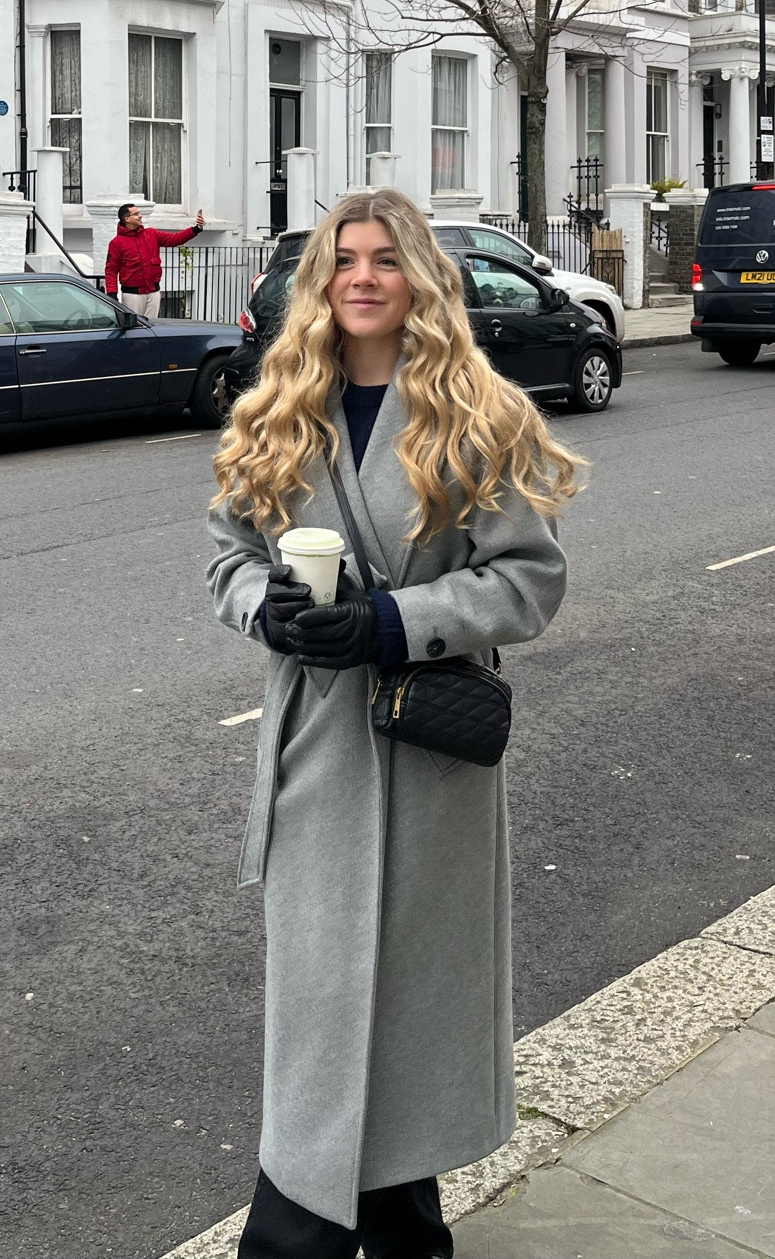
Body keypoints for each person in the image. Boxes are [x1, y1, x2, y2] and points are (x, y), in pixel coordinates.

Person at [206, 188, 576, 1259]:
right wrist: (260, 605)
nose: (361, 276)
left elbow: (529, 584)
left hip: (428, 767)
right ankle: (366, 1235)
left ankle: (377, 1232)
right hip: (317, 760)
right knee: (325, 1030)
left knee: (400, 1026)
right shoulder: (281, 406)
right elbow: (223, 558)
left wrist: (393, 619)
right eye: (343, 259)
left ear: (421, 277)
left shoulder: (479, 413)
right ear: (321, 282)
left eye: (384, 258)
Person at [104, 200, 205, 317]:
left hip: (153, 292)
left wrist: (196, 229)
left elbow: (174, 239)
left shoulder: (151, 234)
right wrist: (112, 294)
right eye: (136, 214)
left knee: (151, 328)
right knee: (133, 329)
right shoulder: (117, 243)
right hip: (132, 295)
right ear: (127, 219)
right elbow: (111, 270)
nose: (140, 215)